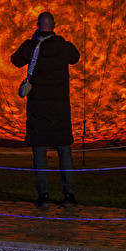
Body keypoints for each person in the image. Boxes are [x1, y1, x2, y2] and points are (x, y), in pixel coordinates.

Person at [10, 12, 80, 207]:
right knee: (64, 152)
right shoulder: (63, 46)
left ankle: (44, 196)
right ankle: (69, 196)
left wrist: (32, 42)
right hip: (60, 110)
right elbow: (76, 57)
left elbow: (15, 61)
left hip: (38, 110)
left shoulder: (31, 47)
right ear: (54, 25)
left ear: (38, 25)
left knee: (39, 154)